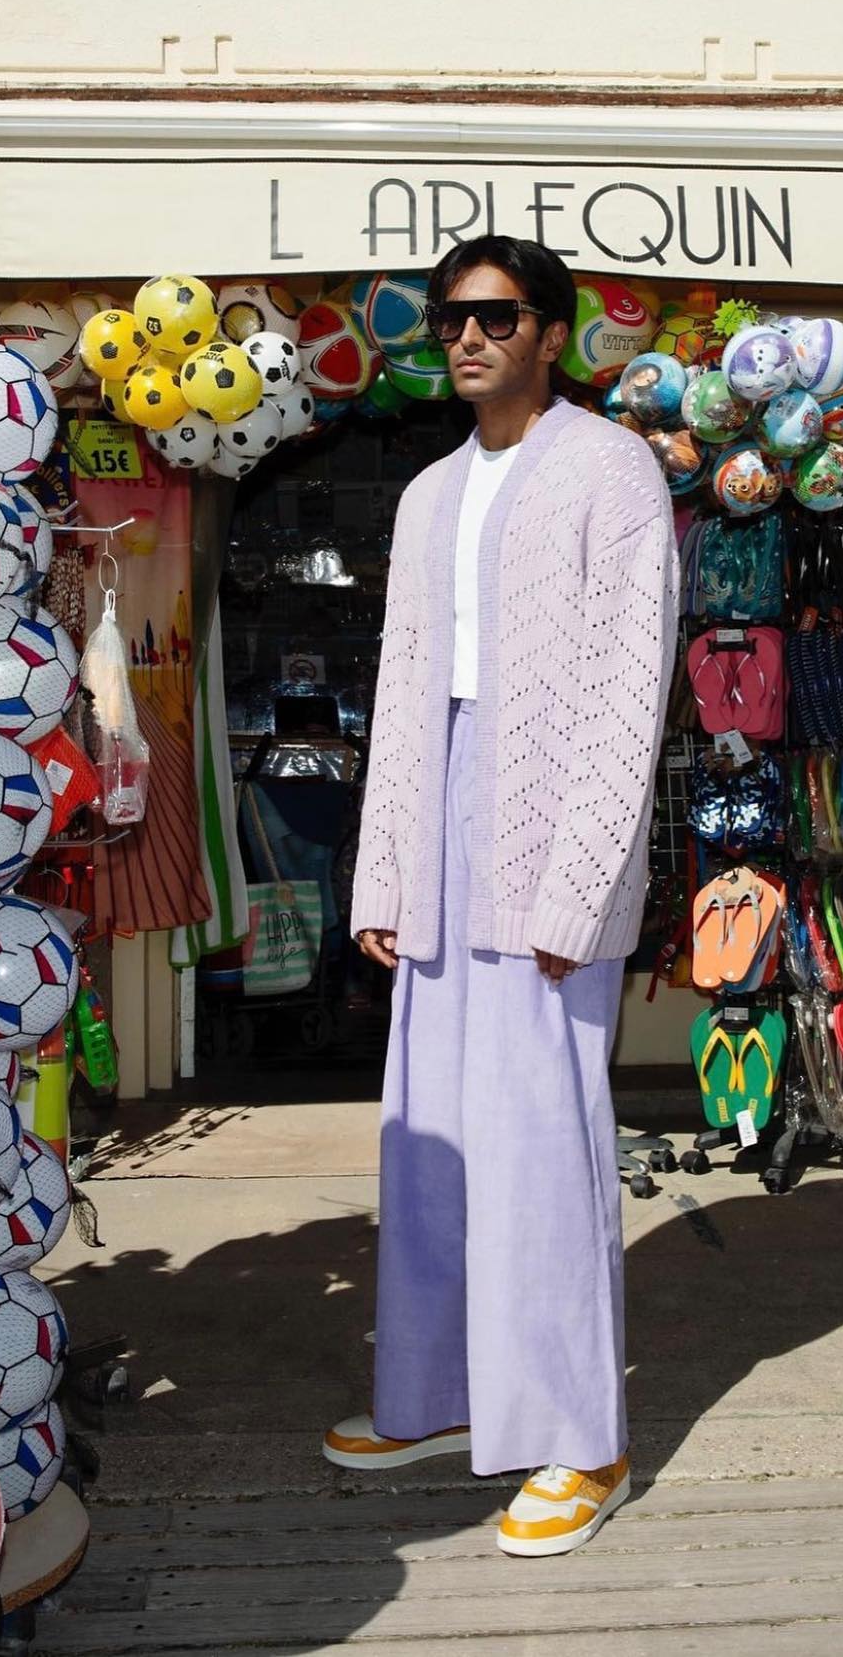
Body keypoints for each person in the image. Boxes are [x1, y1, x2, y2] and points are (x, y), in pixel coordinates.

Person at [327, 235, 680, 1557]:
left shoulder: (611, 467)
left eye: (496, 315)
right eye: (451, 317)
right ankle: (438, 1395)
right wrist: (385, 864)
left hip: (550, 825)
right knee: (429, 1132)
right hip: (438, 809)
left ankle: (582, 1436)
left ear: (552, 331)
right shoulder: (428, 492)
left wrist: (579, 886)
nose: (468, 336)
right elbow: (403, 683)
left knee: (539, 1143)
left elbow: (628, 690)